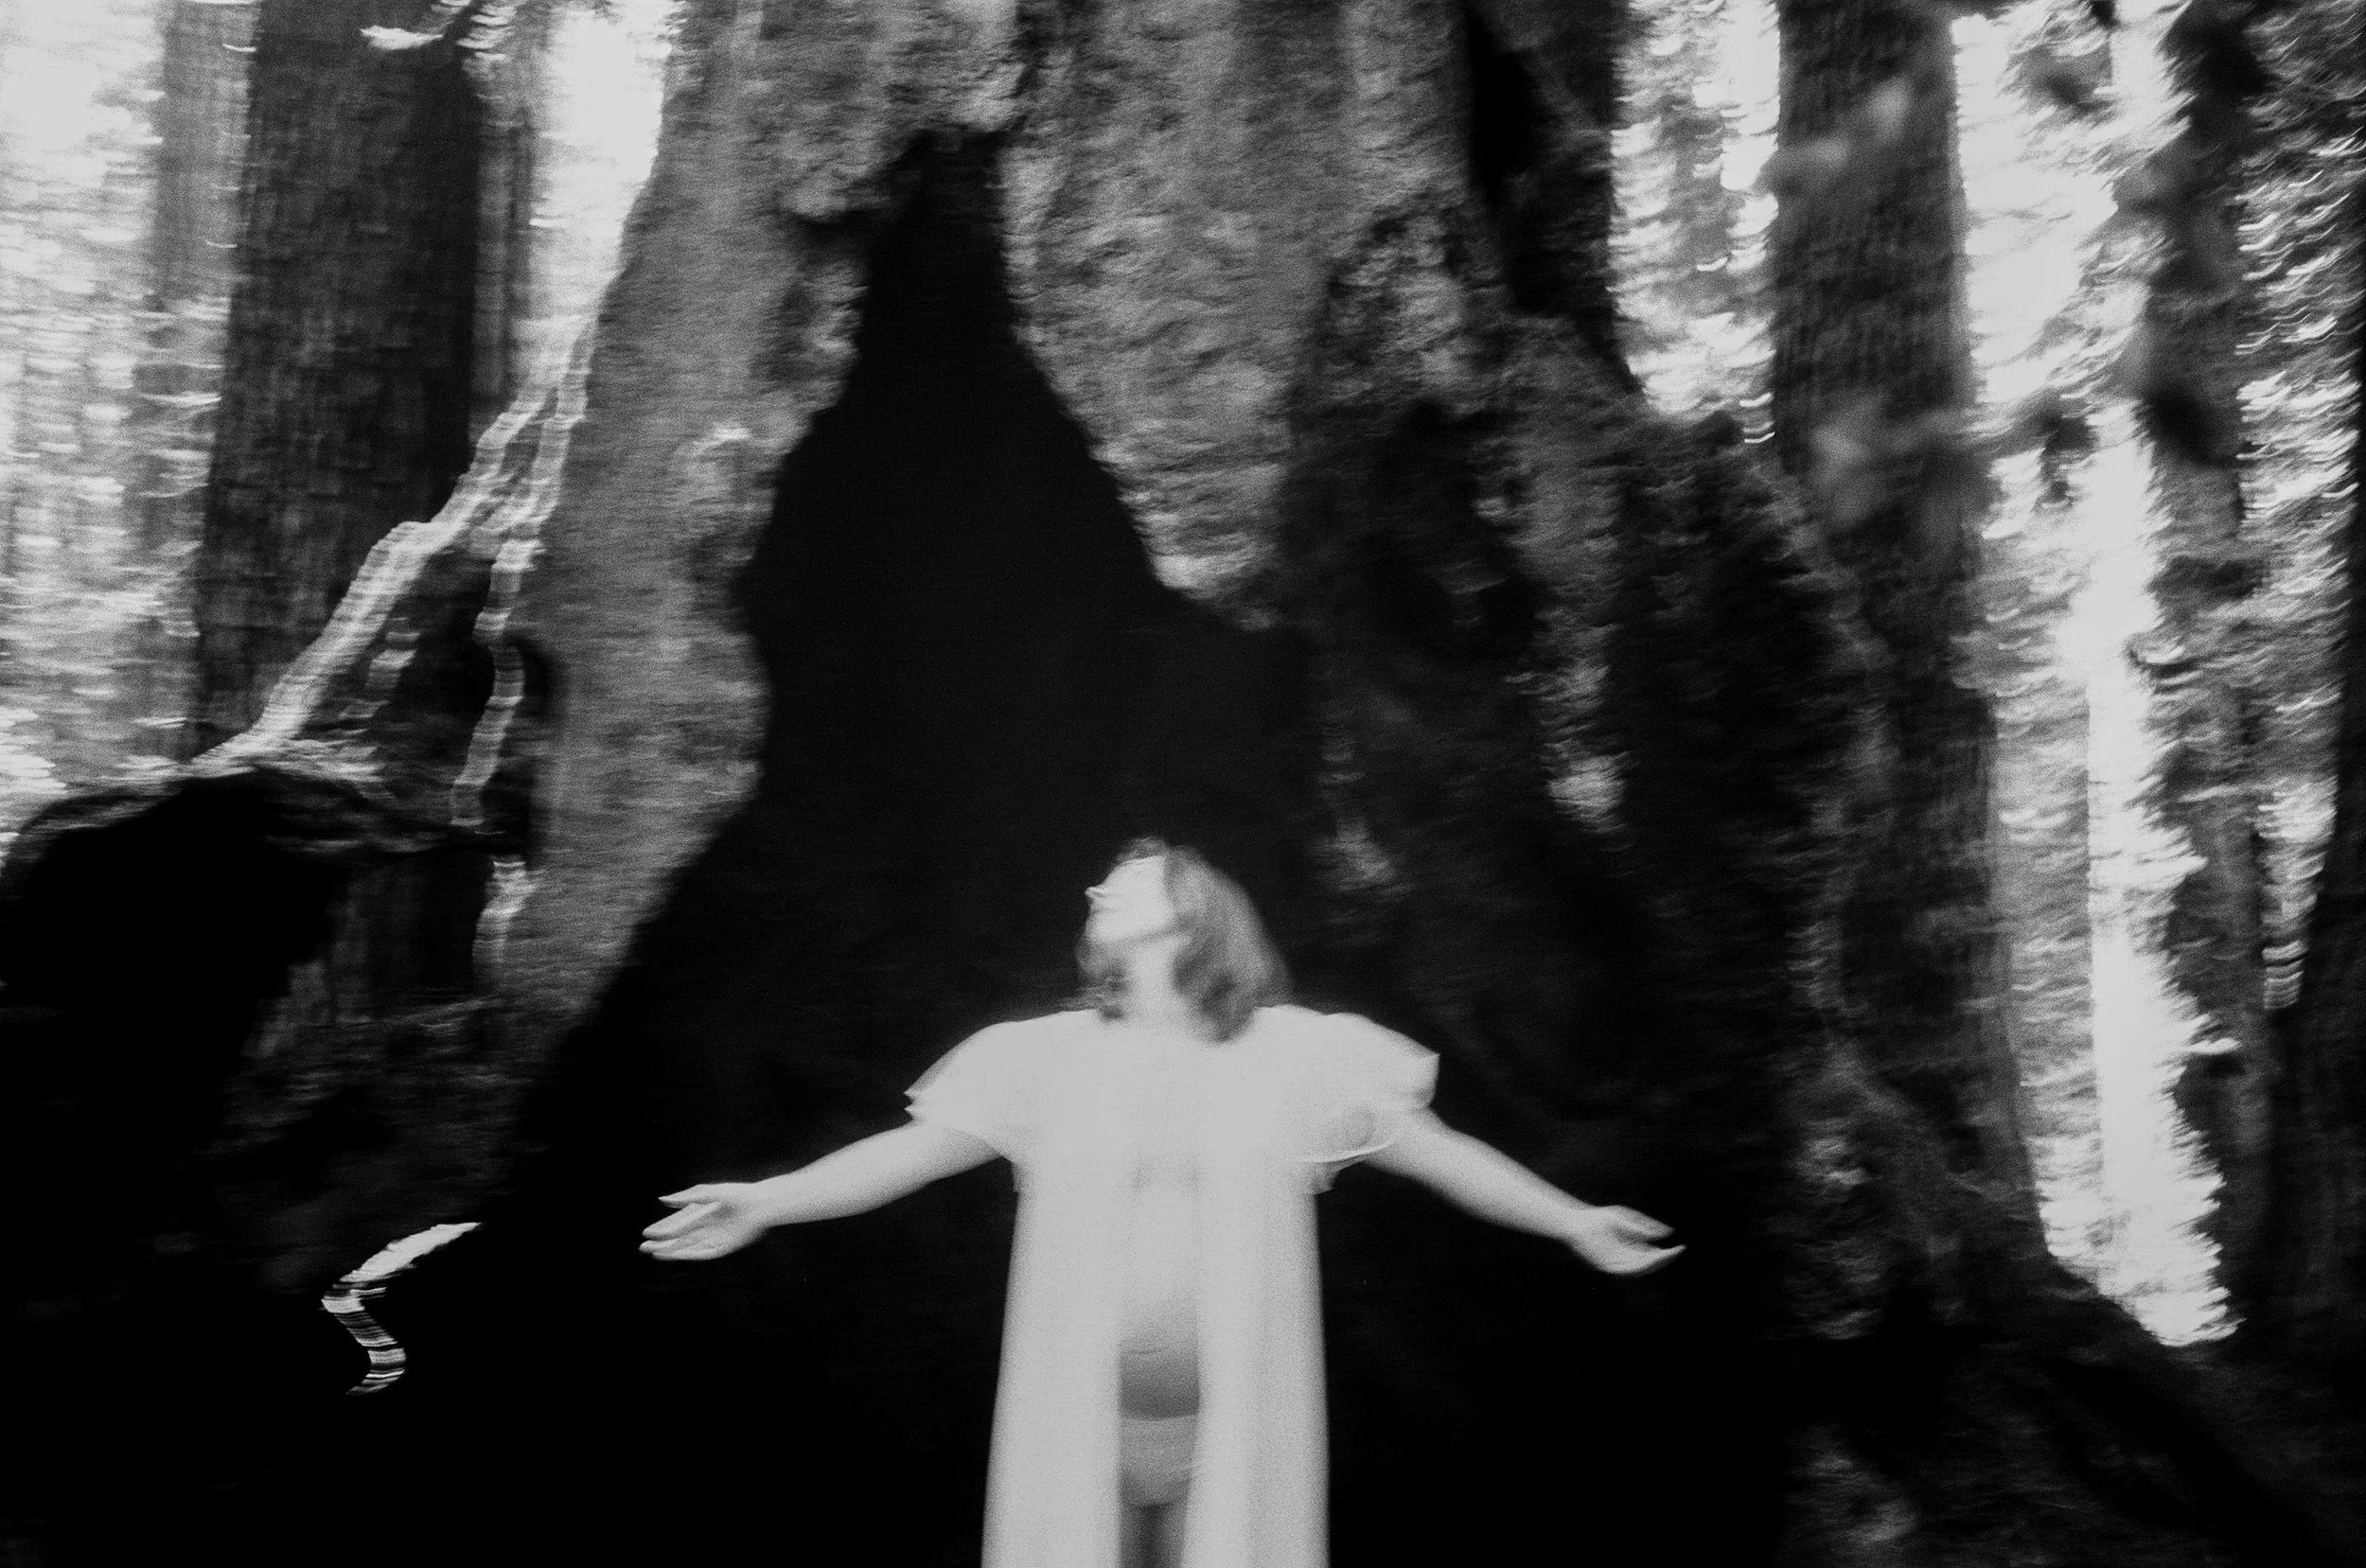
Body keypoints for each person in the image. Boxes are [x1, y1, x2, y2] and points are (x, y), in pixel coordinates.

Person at [642, 840, 1680, 1568]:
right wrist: (765, 1200)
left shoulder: (1302, 1055)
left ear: (1192, 912)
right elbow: (907, 1154)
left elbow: (1445, 1157)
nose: (1096, 885)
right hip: (1078, 1424)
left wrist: (1573, 1220)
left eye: (1125, 879)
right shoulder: (1040, 1058)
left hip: (1226, 1427)